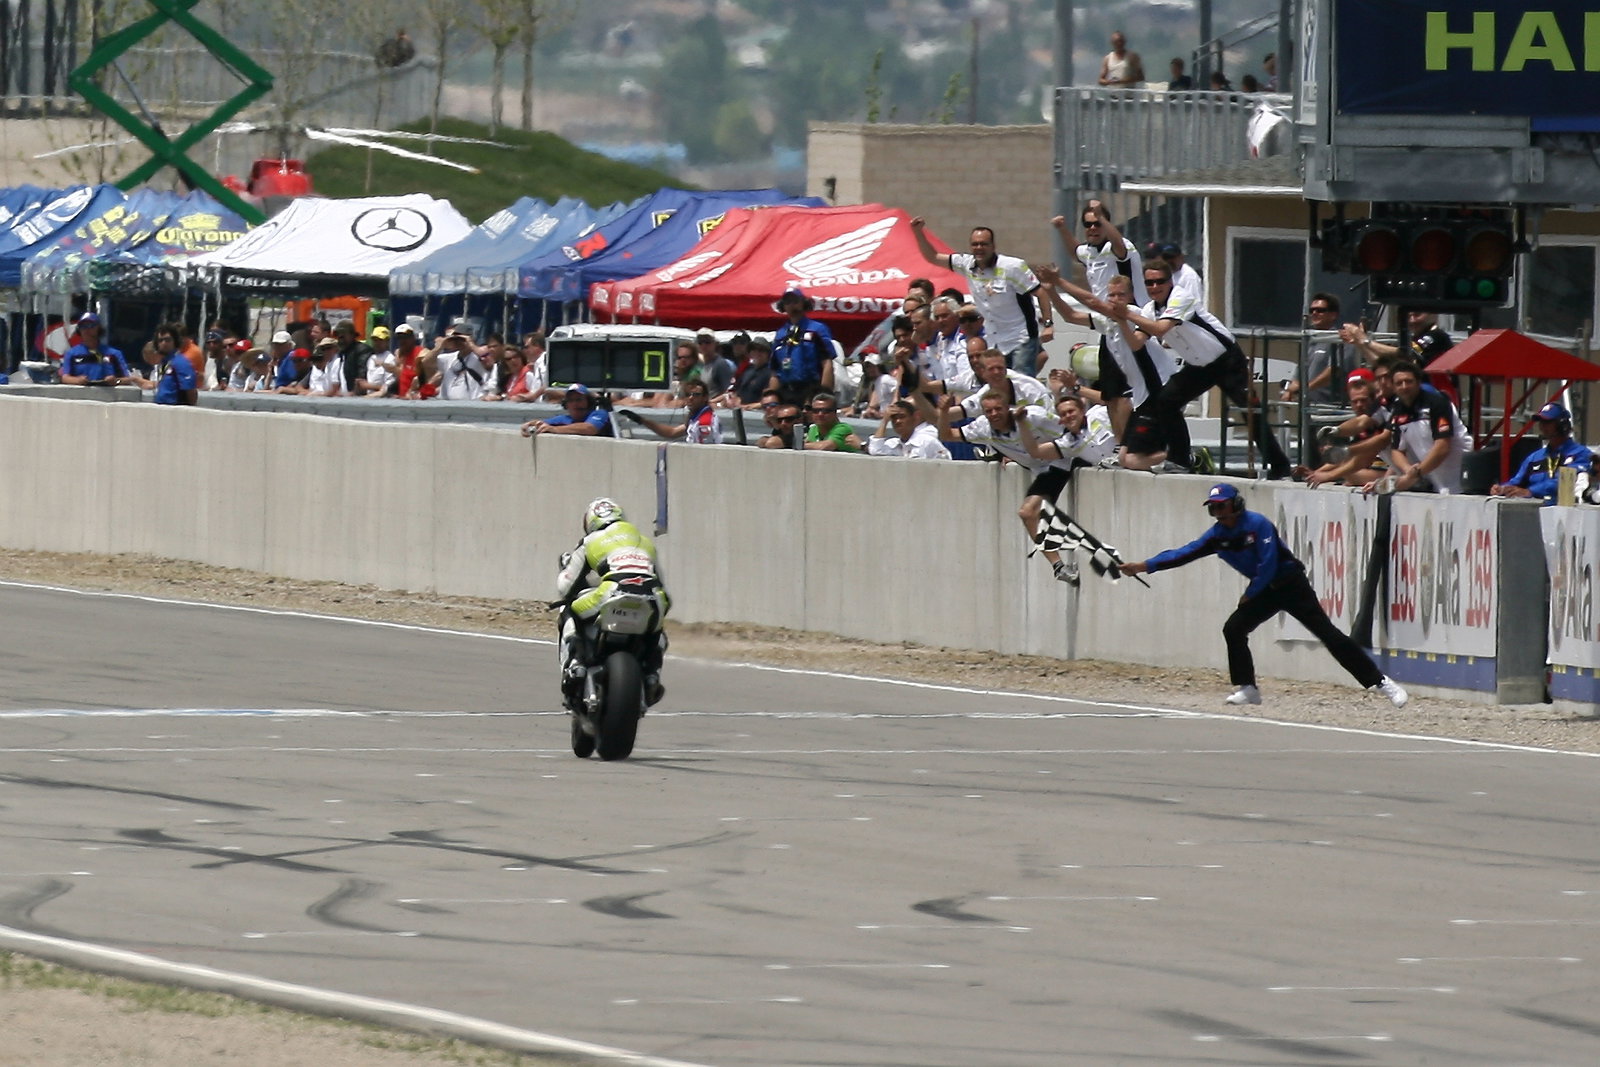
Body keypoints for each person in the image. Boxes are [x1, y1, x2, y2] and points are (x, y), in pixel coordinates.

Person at [1119, 483, 1411, 708]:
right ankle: (1247, 687)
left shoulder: (1257, 524)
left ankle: (1381, 682)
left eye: (1223, 507)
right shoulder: (1217, 536)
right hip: (1263, 591)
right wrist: (1144, 566)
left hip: (1289, 584)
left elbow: (1269, 563)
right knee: (1233, 629)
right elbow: (1183, 553)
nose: (1219, 514)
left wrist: (1250, 593)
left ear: (1236, 505)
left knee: (1329, 635)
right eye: (1214, 509)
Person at [1116, 261, 1293, 479]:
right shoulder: (1149, 310)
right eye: (1149, 283)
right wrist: (1121, 320)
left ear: (1170, 282)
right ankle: (1180, 459)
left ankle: (1280, 466)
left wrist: (1127, 313)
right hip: (1200, 366)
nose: (1154, 287)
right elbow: (1136, 343)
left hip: (1227, 361)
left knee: (1249, 412)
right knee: (1166, 400)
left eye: (1159, 281)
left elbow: (1161, 329)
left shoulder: (1181, 296)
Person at [917, 388, 1085, 584]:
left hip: (1060, 461)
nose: (994, 415)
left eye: (998, 409)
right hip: (1039, 468)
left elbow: (1073, 430)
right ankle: (1059, 567)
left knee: (1028, 511)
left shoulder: (1033, 416)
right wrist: (945, 412)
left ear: (1008, 408)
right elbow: (946, 435)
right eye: (988, 411)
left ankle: (1059, 566)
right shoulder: (983, 427)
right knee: (1027, 513)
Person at [554, 497, 670, 708]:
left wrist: (564, 567)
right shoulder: (645, 541)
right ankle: (652, 674)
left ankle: (575, 665)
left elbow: (565, 587)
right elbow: (660, 583)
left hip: (611, 593)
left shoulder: (590, 542)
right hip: (652, 598)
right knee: (659, 631)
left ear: (590, 522)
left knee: (568, 609)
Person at [909, 217, 1051, 376]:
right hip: (994, 340)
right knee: (999, 385)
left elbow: (1040, 292)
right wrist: (918, 232)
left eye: (984, 244)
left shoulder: (1012, 267)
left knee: (1019, 384)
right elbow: (933, 257)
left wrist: (1048, 324)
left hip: (1020, 338)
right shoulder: (967, 265)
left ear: (993, 246)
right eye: (975, 244)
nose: (979, 248)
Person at [1367, 360, 1471, 495]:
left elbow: (1443, 446)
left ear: (1418, 382)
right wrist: (1408, 471)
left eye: (1409, 381)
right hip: (1434, 481)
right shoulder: (1398, 410)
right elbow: (1397, 450)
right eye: (1399, 383)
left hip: (1461, 480)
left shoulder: (1438, 402)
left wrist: (1416, 474)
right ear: (1393, 386)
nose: (1404, 386)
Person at [1491, 403, 1594, 504]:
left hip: (1566, 513)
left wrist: (1531, 491)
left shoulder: (1581, 454)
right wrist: (1502, 489)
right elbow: (1517, 481)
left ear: (1562, 425)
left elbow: (1565, 482)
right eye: (1541, 422)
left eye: (1547, 422)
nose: (1542, 427)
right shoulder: (1534, 458)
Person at [769, 288, 835, 405]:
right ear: (783, 306)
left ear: (803, 303)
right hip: (786, 391)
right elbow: (775, 370)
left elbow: (827, 362)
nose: (792, 305)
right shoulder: (781, 334)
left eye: (795, 301)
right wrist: (772, 398)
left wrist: (824, 394)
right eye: (787, 302)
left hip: (810, 389)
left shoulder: (817, 329)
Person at [1282, 293, 1350, 406]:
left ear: (1333, 315)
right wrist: (1290, 391)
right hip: (1308, 409)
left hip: (1331, 409)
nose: (1314, 313)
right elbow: (1299, 374)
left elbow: (1334, 371)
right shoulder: (1309, 341)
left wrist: (1305, 388)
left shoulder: (1342, 339)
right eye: (1312, 310)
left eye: (1320, 310)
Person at [618, 382, 722, 444]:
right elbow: (671, 432)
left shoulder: (705, 421)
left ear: (705, 398)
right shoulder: (696, 418)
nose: (691, 398)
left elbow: (706, 450)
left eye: (696, 395)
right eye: (688, 394)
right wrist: (641, 420)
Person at [59, 313, 130, 386]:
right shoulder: (71, 353)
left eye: (91, 326)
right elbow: (65, 378)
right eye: (83, 326)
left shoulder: (114, 353)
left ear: (98, 328)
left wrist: (115, 381)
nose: (87, 330)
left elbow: (127, 380)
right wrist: (77, 380)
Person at [521, 383, 615, 437]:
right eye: (570, 400)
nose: (575, 404)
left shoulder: (599, 414)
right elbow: (541, 423)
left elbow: (589, 428)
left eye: (579, 399)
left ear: (588, 402)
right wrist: (529, 425)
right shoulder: (564, 418)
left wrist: (554, 429)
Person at [867, 398, 949, 460]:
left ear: (914, 417)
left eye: (902, 417)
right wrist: (884, 421)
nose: (897, 421)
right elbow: (875, 451)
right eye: (894, 418)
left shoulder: (927, 441)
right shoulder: (892, 444)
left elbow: (946, 462)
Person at [149, 322, 198, 406]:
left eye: (168, 340)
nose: (164, 343)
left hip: (175, 410)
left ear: (175, 341)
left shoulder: (181, 362)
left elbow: (191, 392)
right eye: (160, 340)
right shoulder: (163, 363)